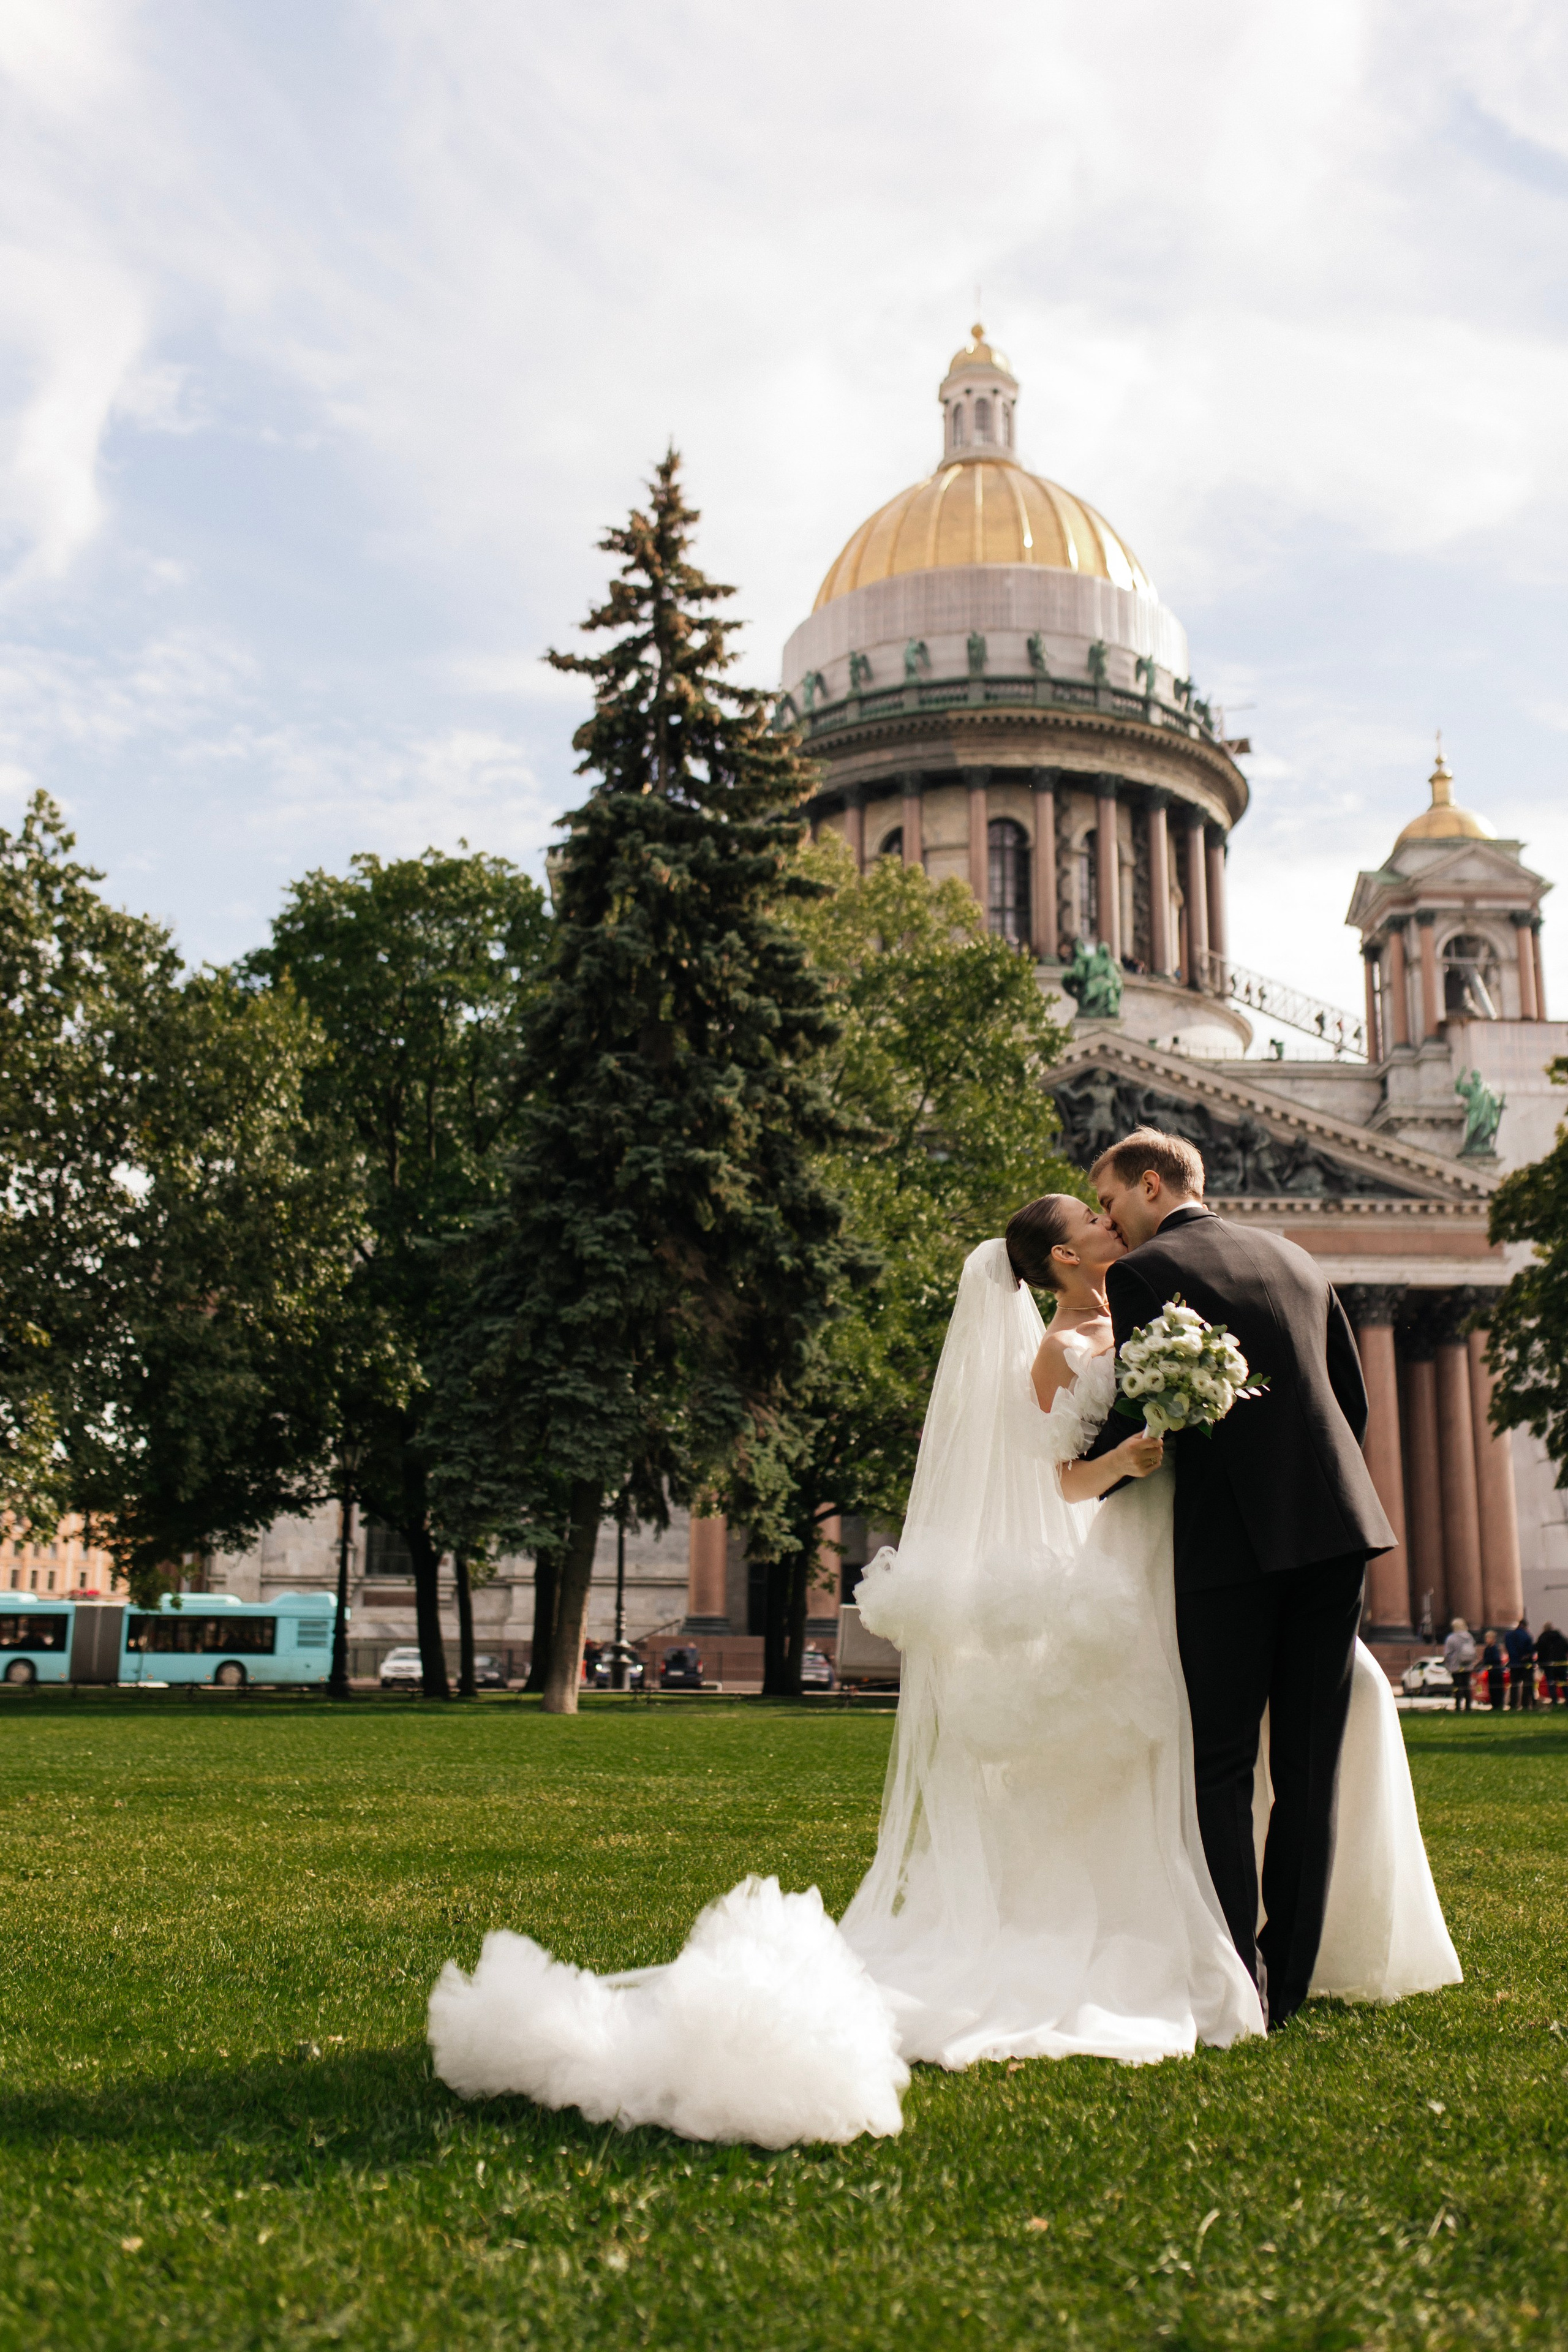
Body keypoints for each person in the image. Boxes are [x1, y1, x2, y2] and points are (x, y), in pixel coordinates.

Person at [426, 1172, 1459, 2143]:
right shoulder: (1065, 1339)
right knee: (1193, 1750)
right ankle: (1215, 1947)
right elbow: (1063, 1478)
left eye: (1110, 1210)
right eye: (1093, 1222)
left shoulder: (1146, 1298)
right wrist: (1136, 1456)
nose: (1113, 1227)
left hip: (1203, 1550)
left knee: (1240, 1739)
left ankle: (1270, 1950)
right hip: (1146, 1548)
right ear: (1060, 1261)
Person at [1084, 1128, 1400, 2029]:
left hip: (1231, 1546)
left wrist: (1068, 1465)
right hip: (1338, 1531)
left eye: (1110, 1202)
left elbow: (1143, 1422)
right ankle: (1290, 1978)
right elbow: (1353, 1398)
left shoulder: (1145, 1276)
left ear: (1152, 1186)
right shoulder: (1295, 1261)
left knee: (1219, 1763)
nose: (1110, 1222)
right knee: (1308, 1766)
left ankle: (1238, 1978)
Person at [1443, 1617, 1477, 1714]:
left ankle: (1458, 1706)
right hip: (1468, 1665)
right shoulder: (1469, 1637)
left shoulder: (1451, 1638)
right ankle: (1468, 1706)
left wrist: (1447, 1664)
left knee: (1458, 1687)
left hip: (1456, 1666)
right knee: (1467, 1686)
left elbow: (1448, 1654)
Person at [1505, 1618, 1537, 1711]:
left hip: (1514, 1663)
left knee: (1514, 1685)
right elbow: (1530, 1649)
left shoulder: (1509, 1636)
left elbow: (1508, 1648)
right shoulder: (1526, 1635)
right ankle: (1525, 1704)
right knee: (1527, 1685)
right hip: (1525, 1664)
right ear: (1525, 1626)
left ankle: (1513, 1703)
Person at [1537, 1621, 1568, 1708]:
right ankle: (1567, 1699)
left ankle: (1555, 1701)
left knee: (1551, 1684)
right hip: (1561, 1664)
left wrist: (1541, 1665)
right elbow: (1566, 1647)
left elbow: (1540, 1651)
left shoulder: (1542, 1638)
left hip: (1549, 1666)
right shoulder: (1560, 1637)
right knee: (1563, 1683)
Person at [1482, 1629, 1506, 1711]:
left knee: (1497, 1689)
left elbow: (1496, 1660)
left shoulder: (1495, 1649)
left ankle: (1498, 1704)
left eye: (1488, 1638)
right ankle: (1494, 1704)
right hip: (1491, 1672)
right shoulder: (1487, 1649)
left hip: (1496, 1672)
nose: (1487, 1640)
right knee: (1492, 1689)